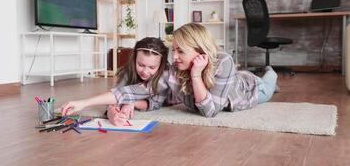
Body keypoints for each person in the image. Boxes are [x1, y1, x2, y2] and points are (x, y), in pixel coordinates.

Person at [111, 23, 278, 118]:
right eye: (174, 50)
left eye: (181, 51)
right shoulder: (177, 67)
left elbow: (210, 111)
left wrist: (196, 74)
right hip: (231, 79)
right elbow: (133, 92)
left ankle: (271, 70)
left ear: (200, 50)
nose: (174, 57)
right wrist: (123, 103)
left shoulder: (224, 60)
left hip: (250, 89)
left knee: (269, 81)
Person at [60, 37, 170, 125]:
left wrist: (131, 102)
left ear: (161, 65)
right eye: (140, 65)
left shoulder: (164, 74)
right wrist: (112, 113)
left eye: (152, 67)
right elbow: (116, 93)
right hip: (132, 93)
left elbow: (155, 103)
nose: (145, 71)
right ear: (134, 59)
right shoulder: (128, 71)